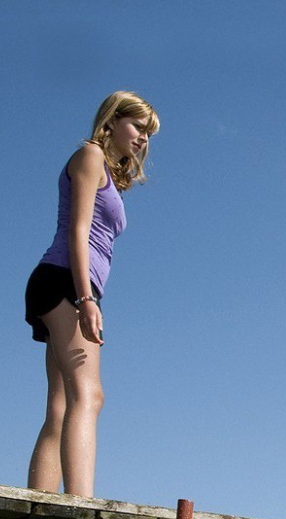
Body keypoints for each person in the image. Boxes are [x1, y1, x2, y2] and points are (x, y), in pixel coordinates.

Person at [23, 91, 159, 497]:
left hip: (64, 281)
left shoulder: (106, 171)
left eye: (148, 134)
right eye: (137, 127)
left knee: (61, 404)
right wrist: (86, 299)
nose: (142, 139)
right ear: (112, 120)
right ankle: (81, 503)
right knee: (89, 395)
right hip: (66, 280)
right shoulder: (90, 155)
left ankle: (40, 505)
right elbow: (77, 231)